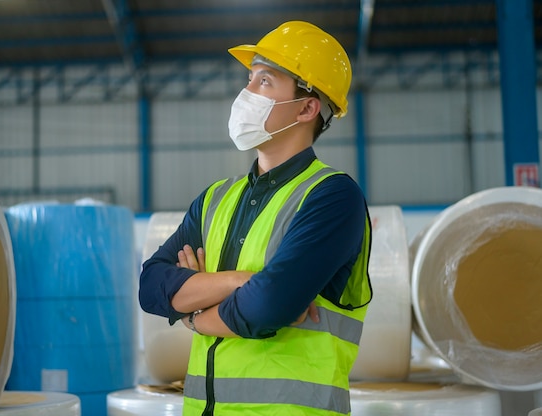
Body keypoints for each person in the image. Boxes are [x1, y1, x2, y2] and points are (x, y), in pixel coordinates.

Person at [139, 20, 373, 416]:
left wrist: (193, 315)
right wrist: (240, 282)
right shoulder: (215, 198)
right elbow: (150, 287)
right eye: (249, 80)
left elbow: (270, 305)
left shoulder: (332, 197)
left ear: (306, 107)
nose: (245, 93)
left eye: (264, 82)